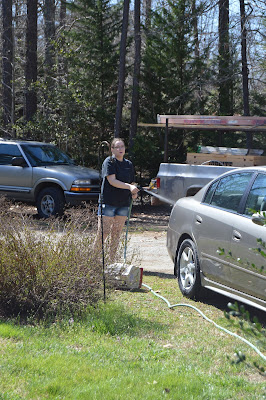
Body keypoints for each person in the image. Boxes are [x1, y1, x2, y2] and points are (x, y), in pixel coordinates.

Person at [94, 138, 139, 262]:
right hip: (108, 202)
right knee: (104, 232)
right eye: (117, 147)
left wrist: (133, 192)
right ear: (112, 149)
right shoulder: (109, 162)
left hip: (123, 203)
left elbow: (131, 182)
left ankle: (111, 260)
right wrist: (129, 187)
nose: (120, 149)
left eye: (122, 146)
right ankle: (93, 260)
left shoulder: (128, 164)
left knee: (116, 233)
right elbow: (112, 181)